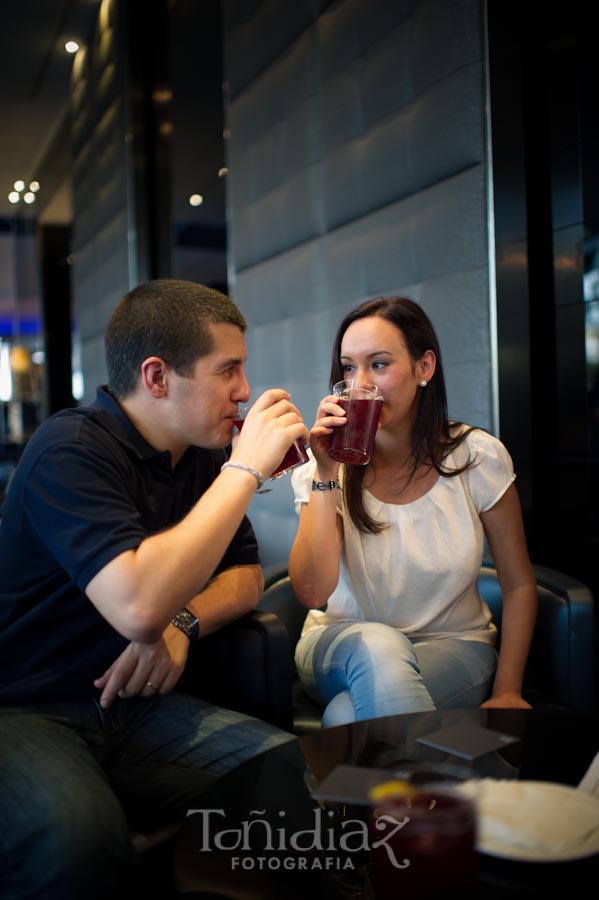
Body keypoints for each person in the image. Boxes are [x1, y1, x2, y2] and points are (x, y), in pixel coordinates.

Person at [0, 279, 307, 899]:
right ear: (158, 376)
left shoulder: (192, 457)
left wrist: (183, 622)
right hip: (28, 709)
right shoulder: (70, 448)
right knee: (78, 842)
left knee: (293, 776)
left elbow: (246, 576)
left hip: (134, 711)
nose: (244, 391)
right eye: (228, 371)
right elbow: (139, 605)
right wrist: (246, 468)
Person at [288, 296, 537, 728]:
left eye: (379, 364)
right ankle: (452, 793)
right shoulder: (322, 466)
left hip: (454, 644)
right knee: (381, 646)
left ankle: (383, 795)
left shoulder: (477, 458)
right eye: (348, 368)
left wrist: (508, 690)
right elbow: (312, 592)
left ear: (424, 368)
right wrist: (326, 471)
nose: (359, 383)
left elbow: (518, 585)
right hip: (340, 643)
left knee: (346, 717)